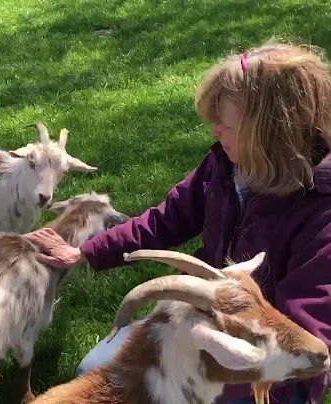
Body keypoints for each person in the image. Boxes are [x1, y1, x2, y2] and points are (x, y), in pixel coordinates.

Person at [24, 41, 331, 404]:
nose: (214, 130)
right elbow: (165, 219)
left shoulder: (321, 215)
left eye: (226, 124)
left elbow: (308, 347)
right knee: (93, 373)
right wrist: (85, 252)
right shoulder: (226, 165)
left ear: (270, 133)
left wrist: (203, 380)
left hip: (254, 366)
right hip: (197, 322)